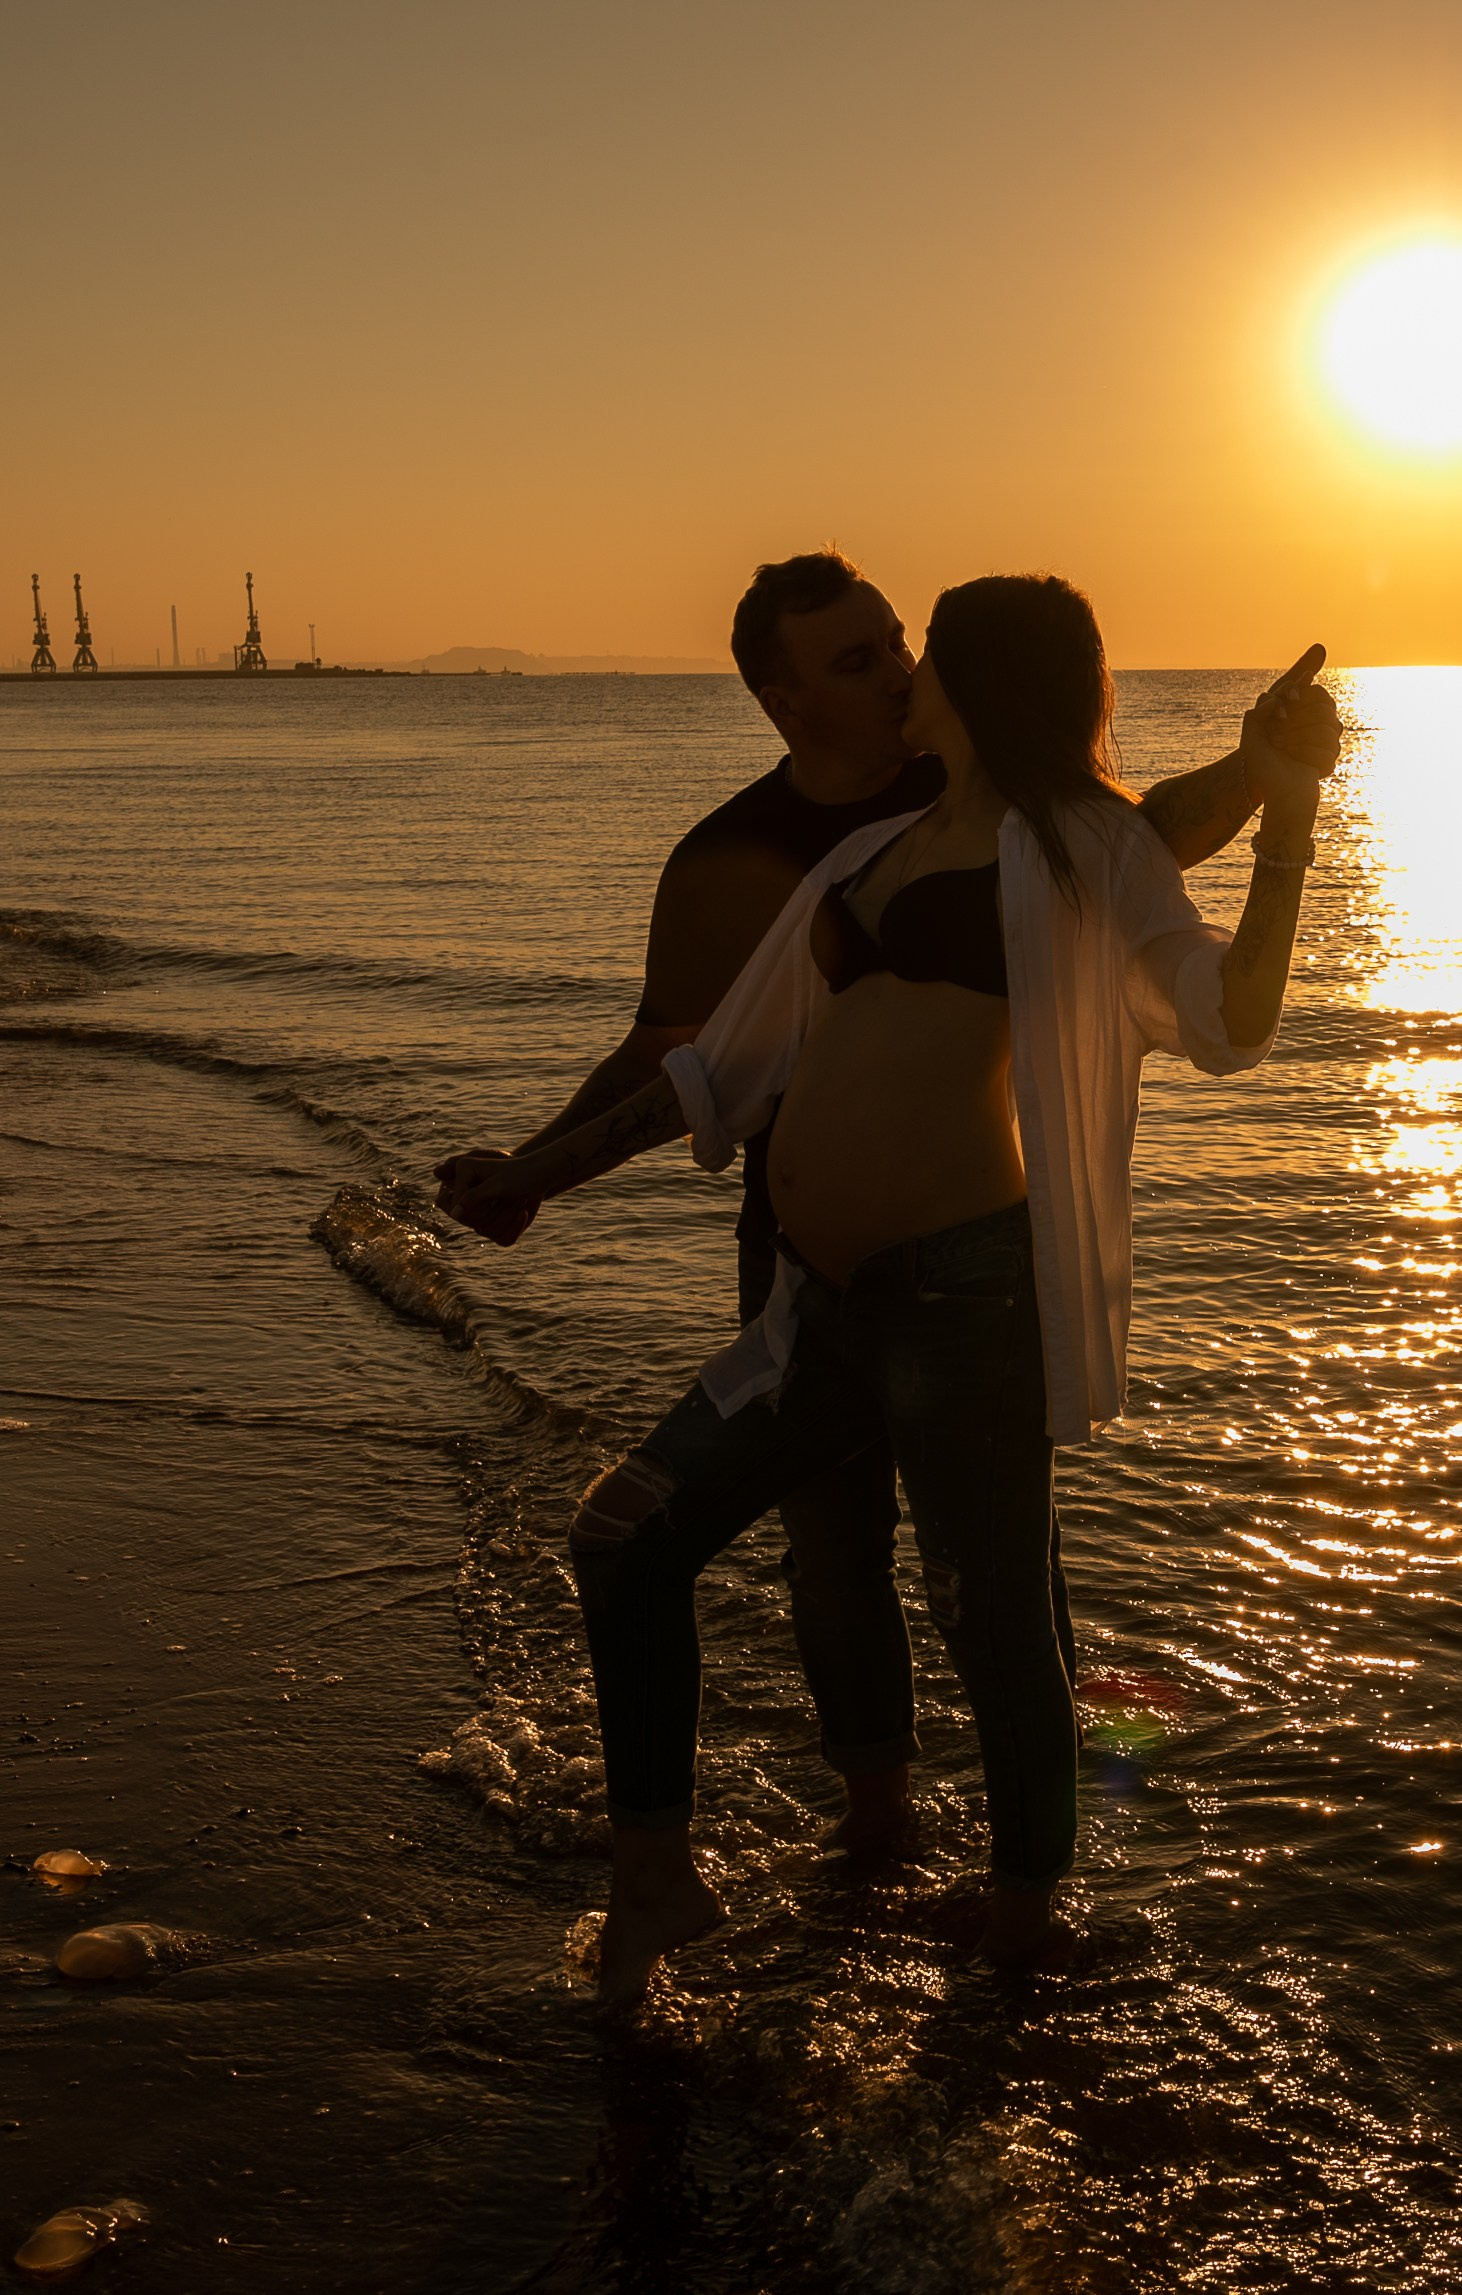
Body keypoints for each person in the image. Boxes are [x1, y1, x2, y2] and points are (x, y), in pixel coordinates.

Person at [438, 572, 1336, 2003]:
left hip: (965, 1294)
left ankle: (1026, 1917)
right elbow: (712, 1072)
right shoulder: (867, 854)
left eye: (920, 648)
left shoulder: (1083, 843)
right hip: (816, 1307)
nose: (904, 670)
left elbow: (1232, 1018)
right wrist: (535, 1174)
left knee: (991, 1611)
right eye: (874, 654)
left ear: (977, 682)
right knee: (626, 1540)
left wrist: (1286, 808)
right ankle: (657, 1871)